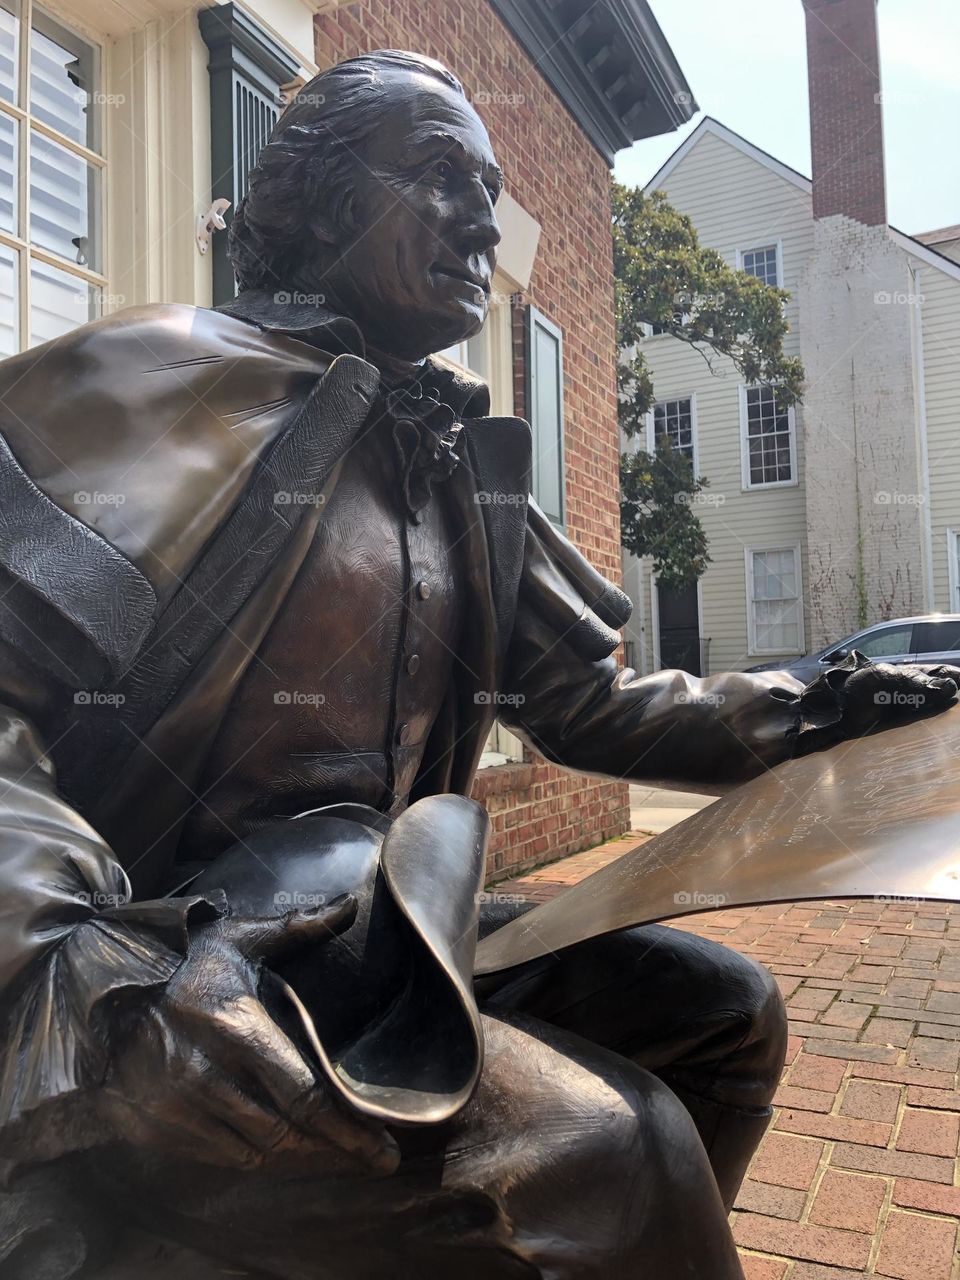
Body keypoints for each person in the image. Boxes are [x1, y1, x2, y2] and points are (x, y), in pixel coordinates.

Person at [0, 50, 955, 1279]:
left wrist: (826, 710)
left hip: (385, 920)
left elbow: (596, 702)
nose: (482, 220)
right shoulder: (142, 382)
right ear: (329, 200)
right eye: (443, 177)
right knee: (627, 1153)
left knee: (723, 1019)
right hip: (177, 951)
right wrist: (91, 986)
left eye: (492, 187)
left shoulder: (460, 465)